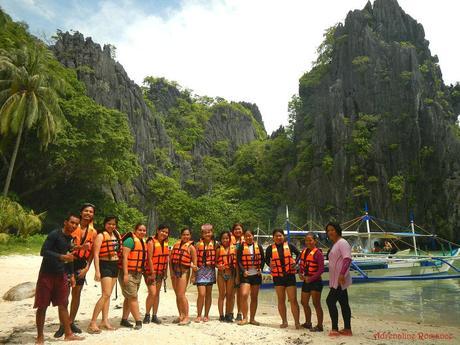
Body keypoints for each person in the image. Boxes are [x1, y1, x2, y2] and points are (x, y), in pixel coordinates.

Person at [34, 213, 84, 344]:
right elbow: (43, 251)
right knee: (42, 306)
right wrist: (61, 257)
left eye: (76, 224)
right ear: (65, 222)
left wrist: (72, 275)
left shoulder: (70, 239)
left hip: (62, 275)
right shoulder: (54, 234)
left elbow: (70, 257)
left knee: (63, 304)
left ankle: (68, 334)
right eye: (72, 222)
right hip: (47, 274)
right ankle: (40, 336)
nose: (73, 226)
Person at [54, 203, 97, 338]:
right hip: (67, 261)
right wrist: (80, 248)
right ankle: (63, 324)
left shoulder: (93, 232)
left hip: (81, 264)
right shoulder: (72, 226)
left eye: (90, 212)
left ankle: (71, 321)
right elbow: (66, 246)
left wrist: (87, 267)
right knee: (64, 294)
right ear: (81, 212)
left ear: (93, 215)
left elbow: (91, 252)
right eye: (86, 211)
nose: (88, 213)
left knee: (76, 294)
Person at [88, 216, 122, 333]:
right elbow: (96, 254)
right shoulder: (100, 235)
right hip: (105, 265)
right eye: (109, 224)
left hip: (114, 265)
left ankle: (104, 321)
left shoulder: (116, 235)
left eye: (113, 224)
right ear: (105, 224)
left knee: (108, 295)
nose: (111, 226)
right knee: (105, 294)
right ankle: (93, 322)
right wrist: (97, 271)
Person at [265, 229, 301, 329]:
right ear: (273, 237)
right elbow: (266, 260)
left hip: (289, 276)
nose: (278, 237)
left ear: (283, 236)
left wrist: (296, 262)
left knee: (293, 300)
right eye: (276, 236)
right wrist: (270, 265)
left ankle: (297, 323)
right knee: (281, 300)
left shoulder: (290, 246)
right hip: (278, 277)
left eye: (280, 235)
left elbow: (299, 254)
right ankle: (284, 321)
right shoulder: (269, 249)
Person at [325, 222, 353, 337]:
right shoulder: (336, 244)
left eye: (332, 230)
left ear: (337, 230)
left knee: (330, 301)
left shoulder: (342, 242)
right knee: (343, 303)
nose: (330, 232)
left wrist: (342, 275)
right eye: (328, 230)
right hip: (336, 279)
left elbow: (347, 259)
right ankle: (347, 329)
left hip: (340, 279)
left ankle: (335, 329)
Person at [119, 223, 147, 330]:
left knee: (129, 297)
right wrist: (125, 274)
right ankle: (138, 321)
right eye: (140, 230)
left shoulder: (142, 241)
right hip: (128, 272)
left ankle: (124, 319)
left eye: (144, 230)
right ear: (135, 230)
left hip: (137, 273)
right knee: (133, 297)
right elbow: (125, 258)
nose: (142, 232)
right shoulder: (130, 241)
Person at [236, 229, 264, 326]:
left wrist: (261, 269)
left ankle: (252, 319)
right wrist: (243, 271)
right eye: (246, 236)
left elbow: (263, 259)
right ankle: (245, 318)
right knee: (244, 295)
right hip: (246, 275)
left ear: (253, 236)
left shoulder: (259, 247)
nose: (248, 238)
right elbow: (239, 261)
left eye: (250, 236)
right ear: (244, 237)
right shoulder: (241, 247)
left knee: (254, 297)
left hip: (256, 275)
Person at [170, 228, 197, 325]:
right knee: (177, 295)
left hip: (184, 272)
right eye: (184, 234)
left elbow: (195, 264)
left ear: (190, 236)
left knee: (181, 295)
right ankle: (181, 315)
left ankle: (186, 317)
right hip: (175, 272)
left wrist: (193, 276)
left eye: (188, 235)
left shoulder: (191, 248)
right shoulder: (176, 245)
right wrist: (171, 272)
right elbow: (170, 260)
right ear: (181, 235)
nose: (186, 236)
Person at [143, 224, 170, 324]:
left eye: (166, 232)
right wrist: (152, 272)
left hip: (160, 271)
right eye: (163, 231)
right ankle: (147, 315)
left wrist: (165, 272)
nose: (164, 234)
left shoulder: (165, 243)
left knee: (157, 294)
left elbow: (166, 259)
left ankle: (154, 315)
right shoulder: (151, 241)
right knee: (152, 293)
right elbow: (149, 258)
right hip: (150, 272)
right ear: (158, 231)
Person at [299, 232, 324, 332]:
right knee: (304, 302)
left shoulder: (318, 253)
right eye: (306, 240)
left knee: (316, 303)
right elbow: (302, 266)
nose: (308, 242)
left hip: (316, 281)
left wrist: (311, 278)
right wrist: (300, 273)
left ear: (315, 241)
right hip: (306, 281)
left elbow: (321, 270)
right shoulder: (304, 252)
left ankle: (320, 326)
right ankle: (308, 323)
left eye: (310, 240)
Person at [192, 223, 217, 322]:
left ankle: (206, 315)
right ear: (202, 234)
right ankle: (199, 315)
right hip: (200, 271)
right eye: (205, 233)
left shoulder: (215, 244)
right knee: (201, 294)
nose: (207, 234)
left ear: (212, 233)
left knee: (209, 294)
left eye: (209, 232)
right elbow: (194, 260)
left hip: (210, 271)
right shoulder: (198, 245)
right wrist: (193, 274)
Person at [216, 231, 236, 322]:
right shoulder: (218, 249)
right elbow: (215, 263)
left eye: (227, 238)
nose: (225, 240)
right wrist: (218, 266)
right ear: (221, 239)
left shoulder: (234, 249)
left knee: (229, 295)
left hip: (231, 274)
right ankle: (221, 315)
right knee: (221, 295)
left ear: (230, 239)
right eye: (223, 238)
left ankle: (228, 314)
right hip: (221, 274)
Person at [231, 223, 244, 321]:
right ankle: (230, 312)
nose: (237, 231)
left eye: (239, 229)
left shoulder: (246, 241)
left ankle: (239, 313)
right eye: (235, 229)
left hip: (242, 269)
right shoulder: (229, 241)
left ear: (242, 230)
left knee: (240, 293)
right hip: (231, 268)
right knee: (231, 292)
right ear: (233, 231)